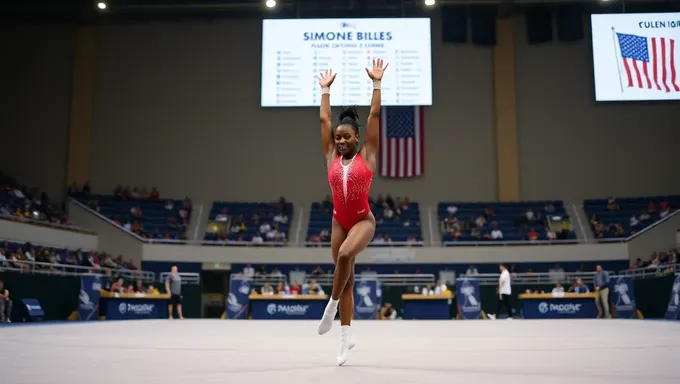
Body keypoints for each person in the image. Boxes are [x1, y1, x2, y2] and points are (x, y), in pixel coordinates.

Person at [316, 58, 388, 366]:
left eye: (347, 137)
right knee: (347, 280)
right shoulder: (331, 154)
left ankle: (330, 306)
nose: (341, 140)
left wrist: (376, 83)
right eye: (338, 137)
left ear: (357, 138)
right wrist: (325, 91)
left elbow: (374, 114)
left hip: (362, 220)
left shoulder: (368, 155)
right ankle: (346, 339)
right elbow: (323, 122)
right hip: (338, 222)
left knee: (344, 258)